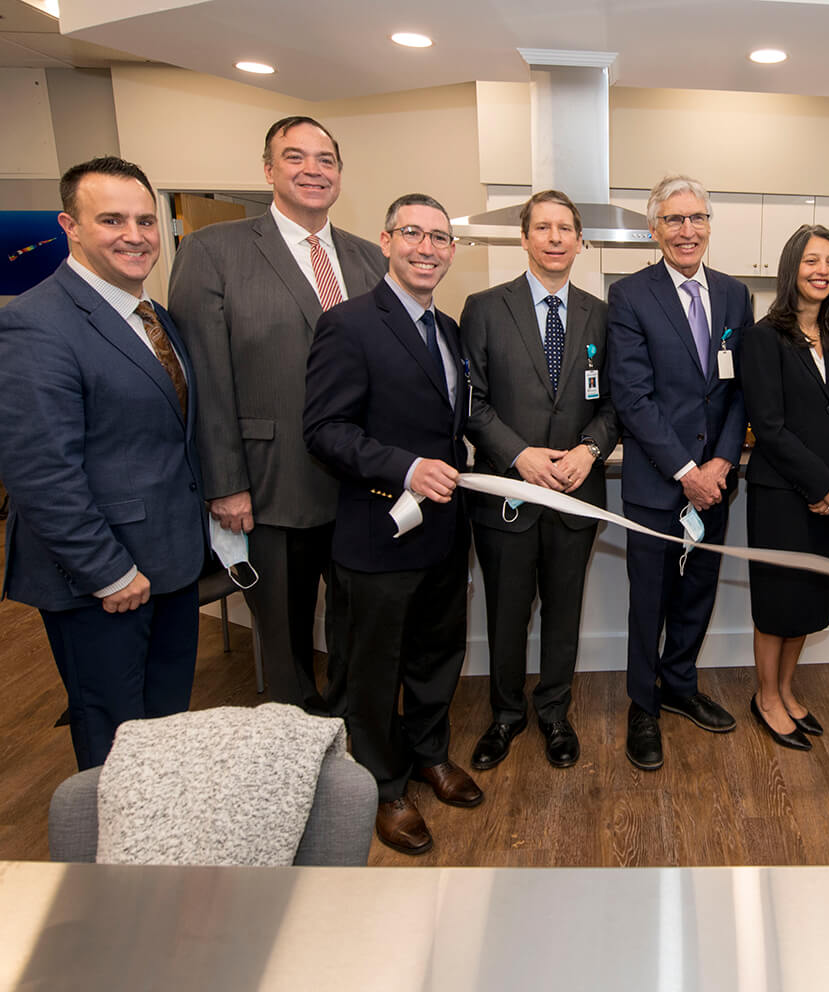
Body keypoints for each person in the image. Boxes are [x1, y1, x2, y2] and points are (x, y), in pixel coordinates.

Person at [169, 116, 386, 715]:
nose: (312, 170)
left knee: (357, 623)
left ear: (340, 174)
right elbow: (203, 379)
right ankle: (293, 746)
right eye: (296, 157)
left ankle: (352, 731)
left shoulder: (369, 260)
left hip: (361, 487)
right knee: (286, 639)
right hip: (270, 484)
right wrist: (225, 482)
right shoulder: (215, 252)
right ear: (268, 170)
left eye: (325, 159)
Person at [0, 156, 206, 770]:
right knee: (114, 739)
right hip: (101, 579)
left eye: (146, 220)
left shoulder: (154, 317)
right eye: (112, 220)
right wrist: (108, 572)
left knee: (164, 726)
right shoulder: (34, 325)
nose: (135, 235)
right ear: (71, 225)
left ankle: (161, 844)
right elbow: (40, 471)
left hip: (169, 562)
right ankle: (118, 866)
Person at [303, 194, 479, 856]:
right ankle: (383, 785)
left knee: (437, 657)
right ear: (385, 241)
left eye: (439, 237)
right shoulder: (348, 325)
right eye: (414, 234)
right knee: (372, 670)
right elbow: (323, 431)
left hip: (441, 534)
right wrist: (404, 468)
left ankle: (430, 754)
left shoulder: (450, 329)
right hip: (377, 533)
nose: (427, 247)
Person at [461, 190, 620, 771]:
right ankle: (505, 715)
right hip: (509, 491)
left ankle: (554, 711)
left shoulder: (600, 314)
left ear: (580, 241)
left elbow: (614, 403)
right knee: (505, 612)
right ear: (524, 238)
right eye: (543, 228)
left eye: (565, 229)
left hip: (577, 492)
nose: (555, 238)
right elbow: (471, 403)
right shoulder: (483, 308)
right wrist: (519, 454)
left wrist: (591, 450)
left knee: (564, 610)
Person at [606, 174, 754, 771]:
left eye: (696, 219)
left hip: (716, 482)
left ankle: (680, 686)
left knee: (698, 592)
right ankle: (643, 705)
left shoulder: (736, 295)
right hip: (656, 482)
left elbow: (742, 387)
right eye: (673, 220)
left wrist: (720, 461)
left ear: (710, 226)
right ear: (654, 229)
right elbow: (632, 397)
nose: (686, 230)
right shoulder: (631, 295)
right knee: (651, 599)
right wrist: (687, 469)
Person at [741, 225, 829, 751]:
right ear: (792, 268)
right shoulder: (762, 337)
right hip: (781, 495)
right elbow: (768, 427)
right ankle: (765, 696)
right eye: (812, 261)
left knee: (808, 602)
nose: (822, 271)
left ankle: (788, 690)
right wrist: (820, 482)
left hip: (826, 496)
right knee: (776, 604)